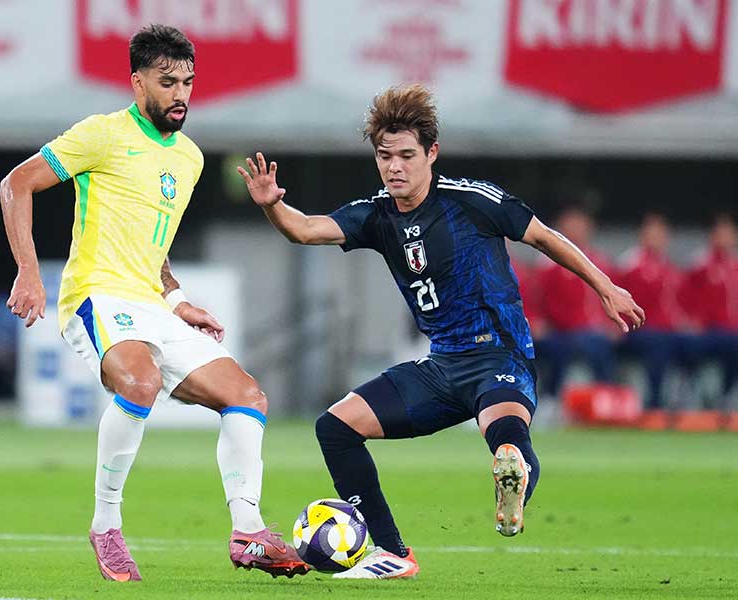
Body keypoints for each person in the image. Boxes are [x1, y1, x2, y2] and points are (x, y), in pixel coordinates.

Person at [239, 84, 644, 579]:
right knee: (335, 427)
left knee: (506, 437)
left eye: (406, 156)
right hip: (441, 366)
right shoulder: (376, 215)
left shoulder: (472, 200)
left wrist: (605, 287)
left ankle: (513, 477)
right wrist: (271, 205)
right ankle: (393, 553)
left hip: (499, 356)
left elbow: (544, 237)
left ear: (432, 153)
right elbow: (305, 229)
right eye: (385, 156)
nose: (395, 167)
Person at [0, 24, 307, 582]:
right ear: (137, 82)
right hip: (96, 295)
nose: (180, 94)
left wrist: (178, 299)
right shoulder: (101, 134)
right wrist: (28, 270)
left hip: (153, 306)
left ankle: (248, 531)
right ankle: (106, 526)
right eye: (168, 83)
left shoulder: (189, 158)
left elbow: (154, 247)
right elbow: (16, 183)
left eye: (188, 82)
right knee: (139, 383)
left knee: (247, 396)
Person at [533, 207, 618, 397]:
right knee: (567, 348)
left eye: (581, 224)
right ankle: (552, 396)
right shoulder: (549, 265)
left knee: (599, 344)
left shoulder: (600, 262)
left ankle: (605, 396)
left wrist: (614, 325)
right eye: (572, 224)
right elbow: (540, 301)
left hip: (593, 332)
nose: (577, 229)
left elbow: (615, 296)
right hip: (562, 331)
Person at [617, 213, 690, 409]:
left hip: (669, 331)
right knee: (658, 343)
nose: (657, 237)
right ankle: (655, 402)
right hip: (638, 331)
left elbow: (682, 304)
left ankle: (687, 396)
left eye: (661, 233)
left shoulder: (671, 268)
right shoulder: (630, 265)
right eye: (652, 232)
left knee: (694, 343)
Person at [679, 213, 738, 405]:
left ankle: (725, 394)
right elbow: (682, 296)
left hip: (731, 331)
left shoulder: (735, 267)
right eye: (720, 233)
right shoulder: (700, 265)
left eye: (728, 233)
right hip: (706, 331)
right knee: (690, 347)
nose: (724, 237)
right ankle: (692, 390)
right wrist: (689, 320)